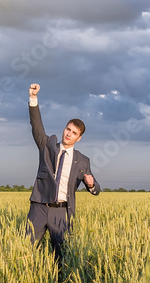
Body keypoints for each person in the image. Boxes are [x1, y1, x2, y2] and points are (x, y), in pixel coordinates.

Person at [25, 82, 100, 264]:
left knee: (61, 258)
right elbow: (37, 126)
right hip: (39, 208)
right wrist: (33, 98)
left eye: (73, 132)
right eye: (68, 129)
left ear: (78, 138)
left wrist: (90, 184)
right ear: (64, 128)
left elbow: (96, 189)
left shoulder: (83, 161)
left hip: (62, 213)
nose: (68, 134)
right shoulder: (47, 146)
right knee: (25, 251)